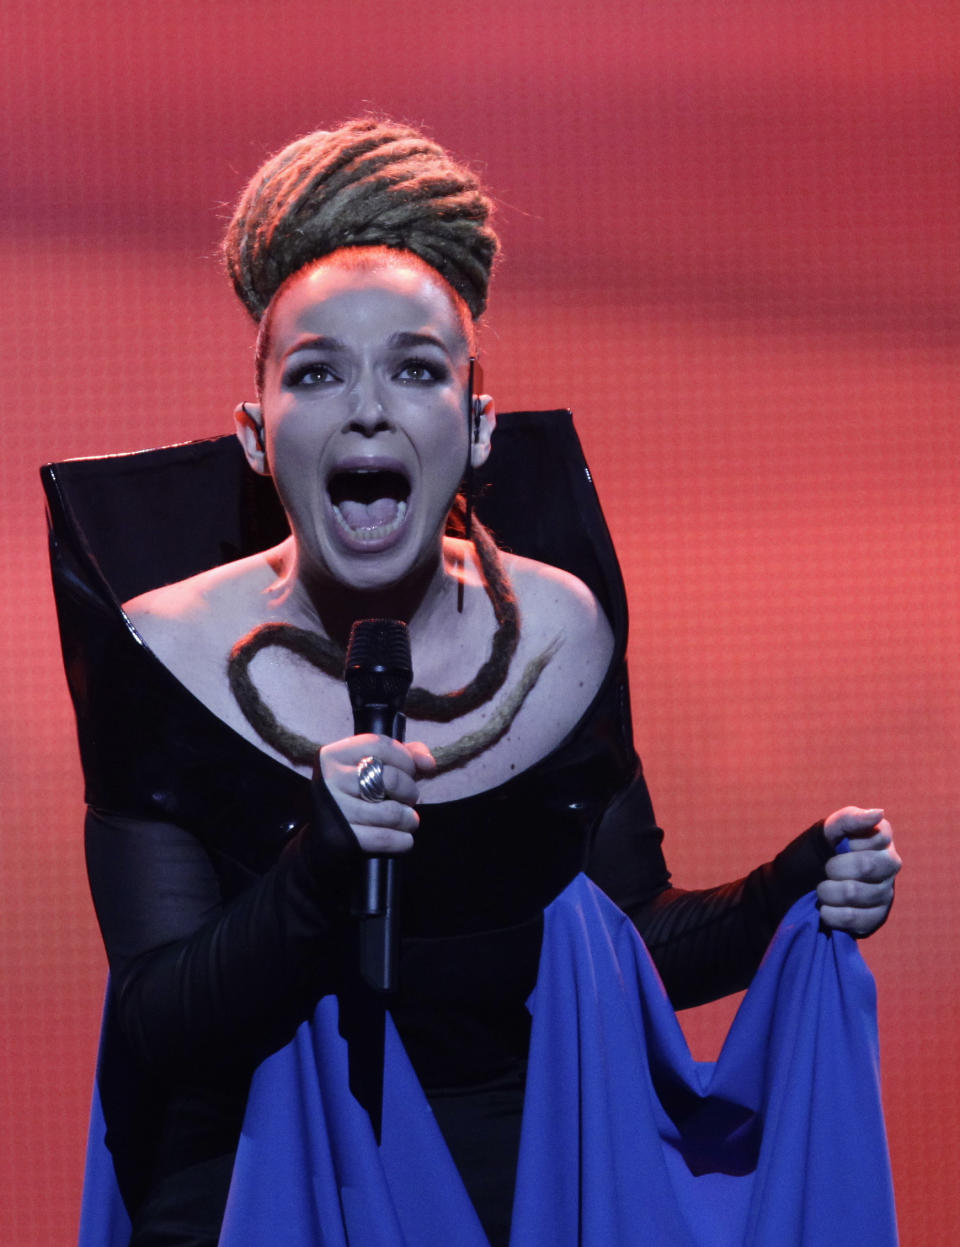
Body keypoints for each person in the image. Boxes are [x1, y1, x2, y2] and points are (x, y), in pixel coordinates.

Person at [54, 118, 899, 1246]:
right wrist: (317, 872)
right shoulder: (161, 649)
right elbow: (155, 1026)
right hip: (258, 1188)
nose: (368, 408)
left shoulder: (563, 628)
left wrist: (779, 896)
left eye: (415, 368)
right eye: (317, 372)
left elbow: (621, 938)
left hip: (522, 1189)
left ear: (477, 424)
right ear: (259, 436)